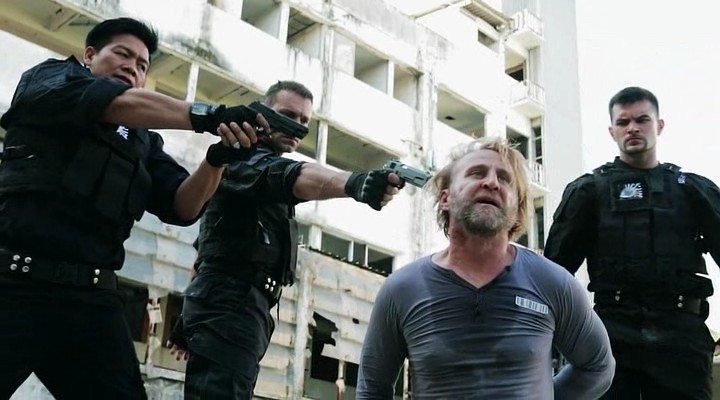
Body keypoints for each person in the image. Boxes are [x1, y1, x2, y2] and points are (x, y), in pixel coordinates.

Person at [0, 17, 267, 399]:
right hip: (14, 284)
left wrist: (217, 160)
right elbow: (113, 103)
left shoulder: (142, 140)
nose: (132, 67)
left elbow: (183, 205)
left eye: (142, 65)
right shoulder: (51, 80)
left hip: (91, 302)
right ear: (90, 55)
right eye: (122, 54)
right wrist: (210, 115)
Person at [173, 80, 404, 399]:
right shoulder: (243, 158)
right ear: (262, 114)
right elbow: (293, 176)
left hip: (239, 307)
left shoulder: (257, 168)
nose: (297, 126)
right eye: (287, 115)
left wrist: (185, 319)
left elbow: (204, 254)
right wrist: (354, 182)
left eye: (304, 120)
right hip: (230, 306)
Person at [357, 137, 615, 399]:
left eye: (504, 179)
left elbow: (598, 368)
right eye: (476, 173)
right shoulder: (402, 289)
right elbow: (372, 390)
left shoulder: (552, 282)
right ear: (445, 198)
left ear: (516, 211)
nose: (492, 183)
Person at [544, 86, 720, 399]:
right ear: (612, 131)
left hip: (681, 337)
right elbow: (552, 275)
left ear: (659, 125)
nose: (633, 128)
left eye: (642, 120)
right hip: (612, 336)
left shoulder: (693, 189)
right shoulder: (589, 191)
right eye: (623, 122)